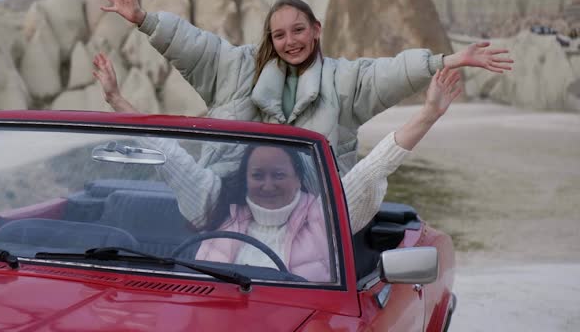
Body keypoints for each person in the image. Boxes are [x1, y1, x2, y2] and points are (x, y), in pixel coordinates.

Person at [93, 52, 462, 281]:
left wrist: (428, 114)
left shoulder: (324, 216)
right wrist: (116, 99)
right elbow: (169, 154)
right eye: (258, 175)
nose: (267, 184)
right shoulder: (218, 207)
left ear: (296, 177)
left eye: (278, 174)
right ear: (246, 178)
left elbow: (374, 167)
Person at [98, 0, 513, 175]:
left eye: (299, 30)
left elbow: (387, 73)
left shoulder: (344, 81)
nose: (290, 41)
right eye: (279, 34)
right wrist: (143, 20)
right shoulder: (236, 68)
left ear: (316, 30)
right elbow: (194, 45)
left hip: (317, 226)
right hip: (224, 209)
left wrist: (446, 60)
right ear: (270, 39)